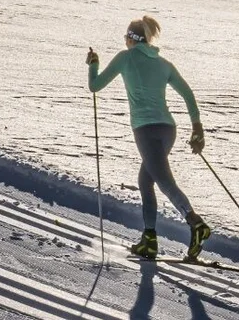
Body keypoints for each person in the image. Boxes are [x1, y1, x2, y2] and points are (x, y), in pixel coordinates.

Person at [87, 16, 213, 261]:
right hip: (168, 130)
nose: (124, 42)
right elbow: (188, 93)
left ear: (132, 39)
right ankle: (149, 240)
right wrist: (197, 128)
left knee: (165, 182)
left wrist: (93, 64)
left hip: (145, 130)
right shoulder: (163, 63)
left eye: (125, 37)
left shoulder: (126, 58)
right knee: (146, 180)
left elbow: (95, 86)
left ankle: (196, 223)